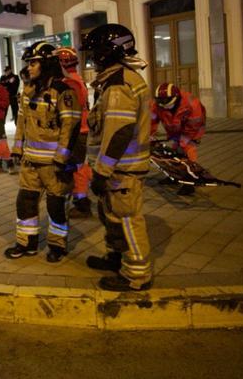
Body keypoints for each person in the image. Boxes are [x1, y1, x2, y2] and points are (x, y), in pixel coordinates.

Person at [82, 23, 153, 292]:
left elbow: (118, 133)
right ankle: (116, 257)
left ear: (107, 52)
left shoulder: (119, 84)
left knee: (127, 218)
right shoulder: (118, 78)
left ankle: (136, 275)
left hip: (122, 170)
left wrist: (101, 171)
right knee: (111, 216)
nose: (91, 58)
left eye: (94, 52)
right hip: (118, 169)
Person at [6, 43, 82, 262]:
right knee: (25, 202)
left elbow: (71, 126)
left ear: (46, 63)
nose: (29, 68)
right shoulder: (28, 90)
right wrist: (17, 149)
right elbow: (22, 121)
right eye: (28, 63)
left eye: (33, 63)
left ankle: (57, 246)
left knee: (56, 206)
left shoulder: (63, 91)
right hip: (31, 162)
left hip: (54, 165)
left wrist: (62, 158)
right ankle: (26, 243)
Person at [55, 47, 93, 217]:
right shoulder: (76, 79)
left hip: (77, 132)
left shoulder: (69, 83)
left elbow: (70, 112)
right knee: (78, 165)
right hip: (81, 129)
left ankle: (82, 203)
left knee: (77, 167)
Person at [151, 83, 206, 196]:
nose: (163, 105)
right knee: (174, 153)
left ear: (175, 98)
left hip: (192, 130)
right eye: (160, 103)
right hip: (174, 130)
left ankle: (189, 182)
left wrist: (183, 142)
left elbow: (193, 127)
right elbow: (151, 120)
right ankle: (174, 176)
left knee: (187, 151)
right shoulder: (157, 104)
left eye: (165, 103)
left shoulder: (192, 104)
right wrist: (149, 136)